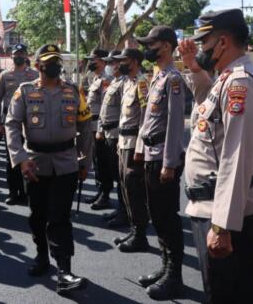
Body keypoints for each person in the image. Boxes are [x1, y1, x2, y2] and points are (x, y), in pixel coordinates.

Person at [178, 9, 253, 304]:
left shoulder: (239, 83)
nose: (201, 49)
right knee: (228, 291)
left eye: (205, 43)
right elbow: (207, 101)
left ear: (223, 42)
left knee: (229, 294)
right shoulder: (225, 78)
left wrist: (222, 225)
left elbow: (236, 157)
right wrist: (193, 66)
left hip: (226, 212)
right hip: (214, 204)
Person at [4, 44, 92, 295]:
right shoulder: (25, 91)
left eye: (57, 61)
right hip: (35, 163)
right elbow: (11, 124)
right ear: (38, 66)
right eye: (48, 62)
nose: (54, 65)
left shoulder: (73, 92)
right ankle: (42, 256)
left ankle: (64, 270)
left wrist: (85, 162)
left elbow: (86, 127)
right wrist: (20, 158)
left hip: (66, 163)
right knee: (38, 216)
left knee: (59, 217)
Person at [133, 26, 187, 300]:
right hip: (152, 155)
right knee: (158, 216)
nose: (147, 48)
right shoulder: (158, 77)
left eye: (151, 43)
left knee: (168, 217)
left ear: (166, 46)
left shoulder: (174, 79)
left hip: (164, 159)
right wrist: (141, 148)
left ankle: (175, 276)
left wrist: (169, 162)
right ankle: (165, 267)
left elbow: (176, 124)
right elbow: (148, 120)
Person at [111, 48, 151, 252]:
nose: (119, 64)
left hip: (134, 141)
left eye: (123, 60)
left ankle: (141, 234)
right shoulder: (127, 82)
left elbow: (145, 117)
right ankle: (134, 228)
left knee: (134, 188)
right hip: (123, 140)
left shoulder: (142, 82)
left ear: (134, 61)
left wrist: (140, 147)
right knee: (125, 186)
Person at [0, 43, 39, 205]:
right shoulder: (5, 75)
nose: (18, 56)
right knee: (11, 158)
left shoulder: (35, 74)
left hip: (31, 123)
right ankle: (13, 192)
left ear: (26, 56)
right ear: (11, 56)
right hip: (10, 123)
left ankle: (28, 191)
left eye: (21, 53)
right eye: (15, 53)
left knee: (30, 156)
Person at [96, 50, 128, 226]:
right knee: (114, 173)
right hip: (108, 133)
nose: (111, 66)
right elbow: (104, 110)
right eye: (109, 63)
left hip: (117, 134)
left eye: (113, 62)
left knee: (120, 176)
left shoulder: (125, 83)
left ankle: (125, 211)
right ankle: (120, 209)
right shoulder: (114, 82)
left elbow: (127, 113)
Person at [85, 48, 113, 210]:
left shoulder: (106, 80)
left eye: (93, 59)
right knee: (96, 160)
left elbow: (105, 107)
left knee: (103, 162)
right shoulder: (96, 78)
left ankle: (106, 194)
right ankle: (100, 190)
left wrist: (101, 129)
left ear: (102, 61)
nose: (90, 62)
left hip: (99, 127)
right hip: (91, 125)